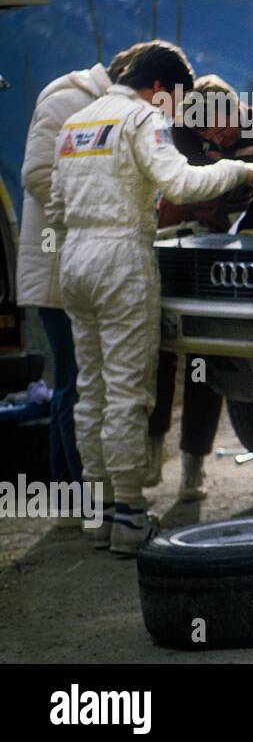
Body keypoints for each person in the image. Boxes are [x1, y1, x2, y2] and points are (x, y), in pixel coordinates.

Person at [47, 42, 253, 555]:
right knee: (129, 391)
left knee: (92, 391)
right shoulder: (139, 119)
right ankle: (131, 514)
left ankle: (101, 511)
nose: (178, 116)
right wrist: (244, 172)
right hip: (121, 259)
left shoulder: (77, 123)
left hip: (73, 261)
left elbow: (57, 205)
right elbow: (182, 181)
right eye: (176, 102)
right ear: (159, 90)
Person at [16, 43, 148, 527]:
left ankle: (73, 498)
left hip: (80, 258)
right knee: (76, 382)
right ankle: (82, 499)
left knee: (74, 381)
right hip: (58, 264)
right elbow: (36, 175)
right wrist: (98, 210)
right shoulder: (64, 100)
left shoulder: (100, 105)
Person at [149, 74, 253, 502]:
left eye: (221, 127)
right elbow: (189, 186)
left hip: (234, 249)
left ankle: (194, 461)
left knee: (204, 358)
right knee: (160, 350)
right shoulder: (187, 129)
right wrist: (236, 176)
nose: (215, 136)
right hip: (183, 241)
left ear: (239, 110)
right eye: (205, 132)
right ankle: (151, 446)